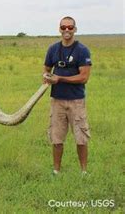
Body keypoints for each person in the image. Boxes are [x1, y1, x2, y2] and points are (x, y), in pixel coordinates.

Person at [43, 16, 92, 176]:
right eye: (63, 27)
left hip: (76, 101)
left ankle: (84, 172)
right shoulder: (53, 49)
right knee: (56, 138)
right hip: (57, 100)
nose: (66, 30)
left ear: (75, 29)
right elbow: (46, 70)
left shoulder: (82, 50)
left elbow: (84, 77)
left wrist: (60, 78)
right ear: (59, 29)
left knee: (81, 138)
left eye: (70, 27)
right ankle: (56, 170)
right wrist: (47, 77)